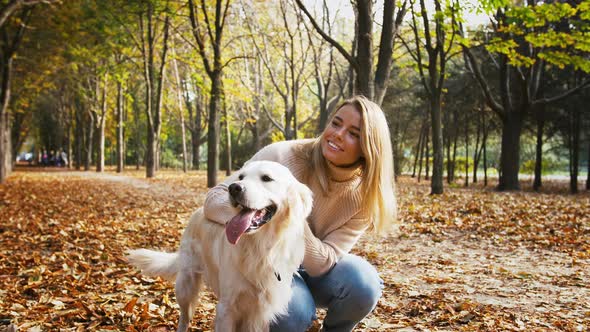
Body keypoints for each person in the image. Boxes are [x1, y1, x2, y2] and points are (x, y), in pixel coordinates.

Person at [203, 95, 397, 332]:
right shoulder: (281, 156)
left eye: (353, 133)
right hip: (268, 263)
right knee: (291, 314)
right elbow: (214, 201)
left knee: (364, 283)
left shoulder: (366, 198)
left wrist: (293, 217)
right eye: (336, 123)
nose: (337, 134)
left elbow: (322, 264)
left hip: (315, 268)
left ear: (369, 147)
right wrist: (245, 219)